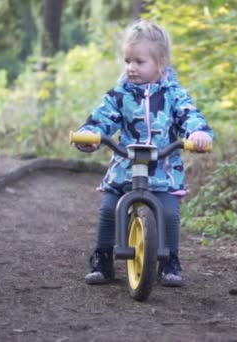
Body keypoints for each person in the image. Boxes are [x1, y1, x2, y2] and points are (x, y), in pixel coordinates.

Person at [73, 20, 213, 287]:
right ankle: (103, 258)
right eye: (128, 61)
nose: (131, 68)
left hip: (163, 173)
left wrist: (197, 134)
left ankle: (170, 259)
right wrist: (90, 133)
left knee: (169, 212)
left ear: (160, 63)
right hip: (124, 170)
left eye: (139, 61)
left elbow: (190, 116)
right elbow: (101, 119)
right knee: (108, 209)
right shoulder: (119, 95)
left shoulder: (174, 95)